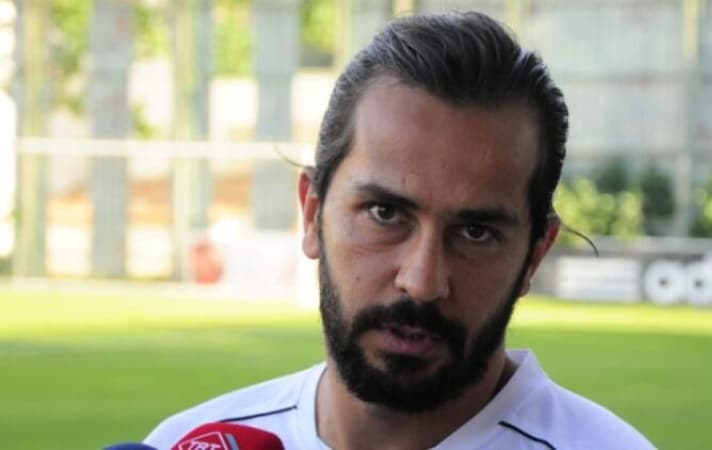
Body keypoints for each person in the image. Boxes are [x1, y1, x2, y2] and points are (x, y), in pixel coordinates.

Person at [144, 11, 655, 450]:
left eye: (475, 232)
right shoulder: (186, 442)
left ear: (534, 256)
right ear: (312, 213)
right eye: (385, 214)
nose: (422, 281)